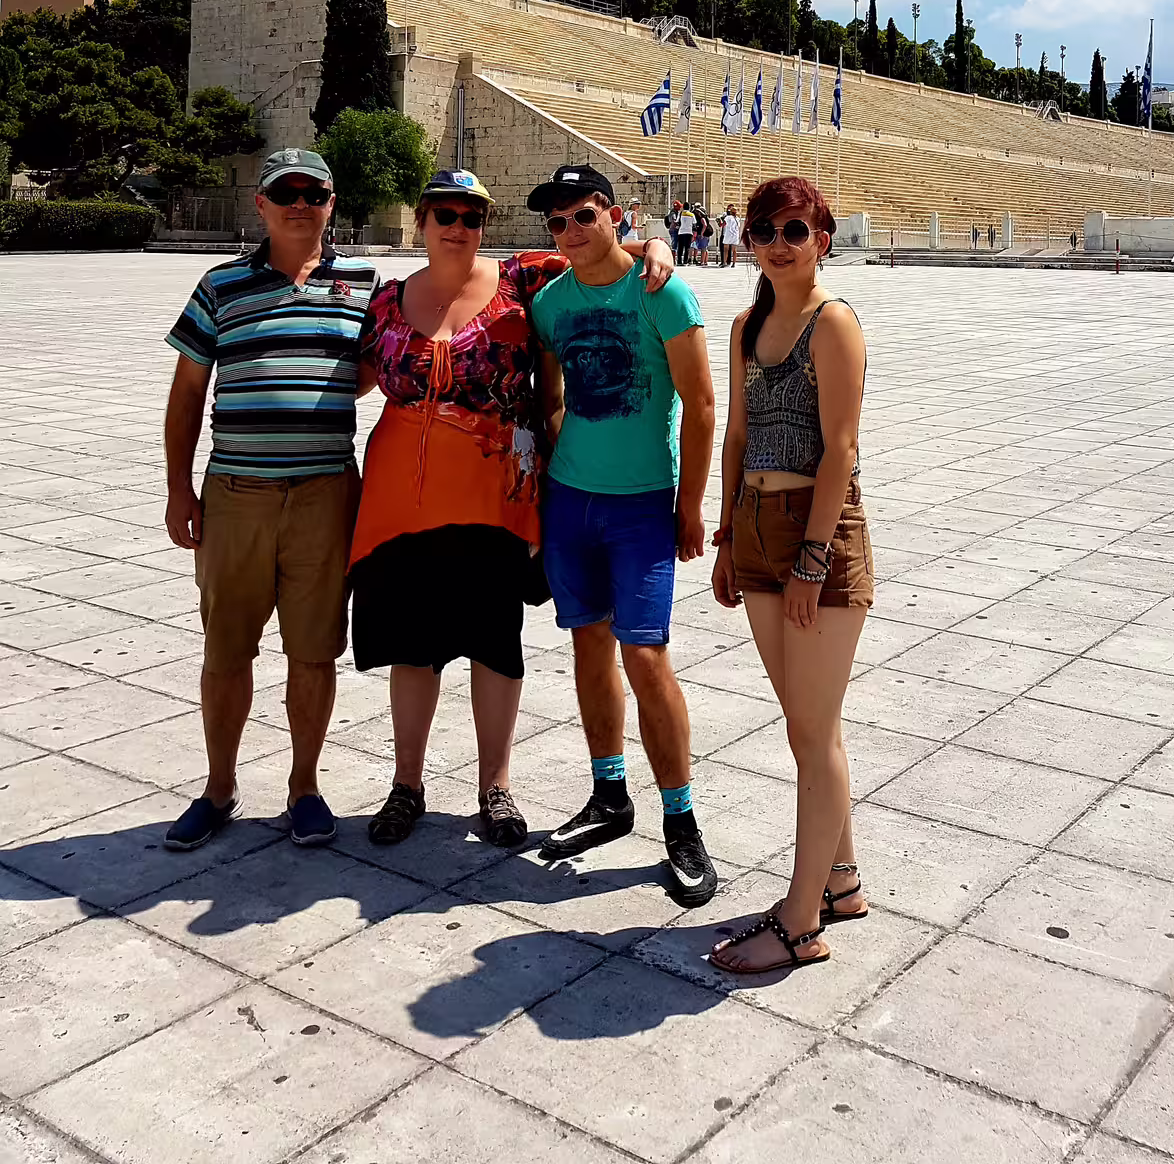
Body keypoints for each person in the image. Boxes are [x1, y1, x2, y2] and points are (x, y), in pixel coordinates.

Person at [351, 171, 675, 848]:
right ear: (420, 221)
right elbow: (345, 378)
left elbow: (605, 249)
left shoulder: (521, 279)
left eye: (470, 215)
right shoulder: (385, 300)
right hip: (399, 499)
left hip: (495, 495)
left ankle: (495, 787)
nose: (457, 226)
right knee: (413, 648)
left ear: (484, 225)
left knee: (493, 643)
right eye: (443, 213)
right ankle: (406, 784)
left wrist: (660, 242)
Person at [161, 149, 377, 851]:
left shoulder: (365, 285)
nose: (298, 203)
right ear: (260, 204)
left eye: (312, 192)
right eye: (283, 192)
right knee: (227, 649)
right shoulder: (220, 286)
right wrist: (177, 489)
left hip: (323, 493)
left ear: (332, 202)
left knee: (313, 650)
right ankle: (219, 788)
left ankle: (304, 787)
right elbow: (188, 393)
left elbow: (422, 329)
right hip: (235, 494)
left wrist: (644, 248)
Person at [527, 161, 720, 908]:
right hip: (570, 499)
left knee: (645, 654)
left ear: (614, 213)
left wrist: (691, 506)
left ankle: (681, 818)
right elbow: (548, 397)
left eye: (583, 215)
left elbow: (701, 407)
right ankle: (611, 795)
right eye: (557, 222)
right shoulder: (549, 302)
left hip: (642, 503)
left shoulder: (662, 290)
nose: (570, 231)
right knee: (587, 645)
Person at [708, 176, 870, 974]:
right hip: (757, 534)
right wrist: (728, 537)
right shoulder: (746, 327)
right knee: (809, 721)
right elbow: (736, 437)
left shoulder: (832, 324)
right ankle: (840, 879)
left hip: (819, 536)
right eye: (764, 228)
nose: (778, 241)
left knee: (811, 730)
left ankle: (801, 922)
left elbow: (839, 448)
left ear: (823, 239)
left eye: (795, 229)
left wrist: (811, 558)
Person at [676, 201, 696, 266]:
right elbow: (694, 223)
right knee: (687, 248)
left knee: (680, 247)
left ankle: (679, 261)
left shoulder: (680, 213)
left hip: (681, 232)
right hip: (689, 232)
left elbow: (677, 221)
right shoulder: (692, 214)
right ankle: (685, 261)